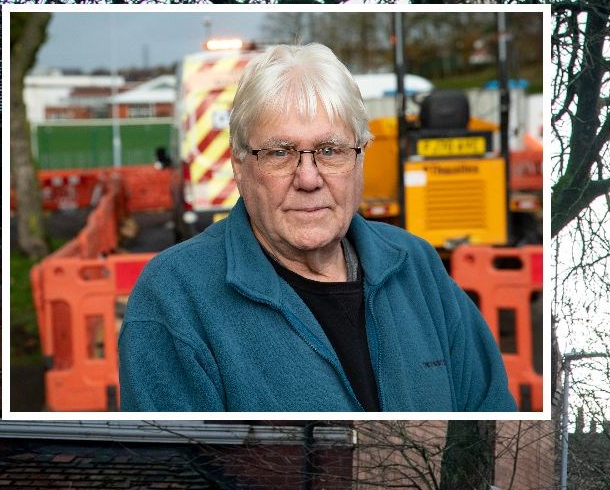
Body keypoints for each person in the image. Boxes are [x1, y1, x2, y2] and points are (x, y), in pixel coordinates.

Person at [119, 43, 514, 414]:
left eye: (330, 151)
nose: (308, 178)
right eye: (279, 152)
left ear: (360, 159)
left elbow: (490, 417)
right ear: (240, 165)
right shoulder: (175, 296)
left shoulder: (417, 265)